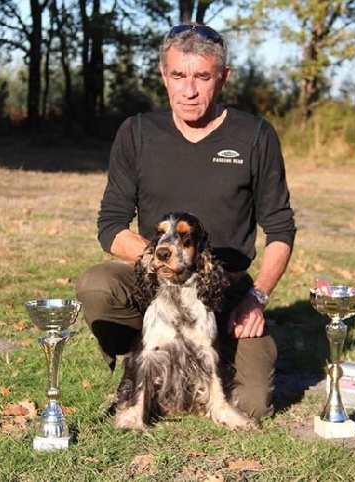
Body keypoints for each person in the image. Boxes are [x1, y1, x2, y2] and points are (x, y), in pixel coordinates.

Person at [76, 23, 296, 421]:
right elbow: (111, 226)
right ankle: (146, 360)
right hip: (153, 286)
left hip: (223, 290)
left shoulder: (256, 136)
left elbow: (280, 230)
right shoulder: (137, 132)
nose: (189, 90)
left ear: (223, 78)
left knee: (253, 405)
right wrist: (163, 258)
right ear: (164, 75)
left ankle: (211, 351)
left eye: (202, 76)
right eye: (178, 75)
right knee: (96, 285)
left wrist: (256, 299)